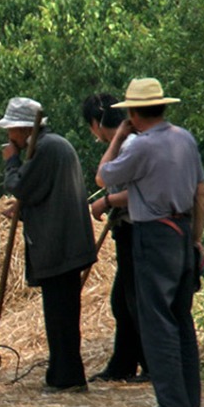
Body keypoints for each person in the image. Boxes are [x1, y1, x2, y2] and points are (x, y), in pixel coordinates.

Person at [97, 78, 204, 407]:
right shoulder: (184, 139)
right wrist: (195, 240)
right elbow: (201, 193)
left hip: (153, 233)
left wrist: (117, 136)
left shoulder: (140, 146)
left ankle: (172, 402)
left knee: (156, 319)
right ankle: (189, 398)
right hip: (182, 230)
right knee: (180, 317)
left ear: (132, 113)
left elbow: (103, 176)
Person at [0, 98, 98, 393]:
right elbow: (41, 192)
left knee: (61, 315)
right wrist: (22, 207)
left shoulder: (48, 148)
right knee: (60, 313)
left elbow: (20, 184)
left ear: (24, 129)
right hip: (64, 241)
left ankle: (67, 378)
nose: (9, 138)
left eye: (11, 131)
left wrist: (11, 161)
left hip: (60, 244)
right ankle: (62, 373)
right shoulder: (50, 147)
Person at [82, 93, 148, 383]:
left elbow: (110, 181)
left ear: (95, 124)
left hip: (138, 230)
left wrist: (107, 202)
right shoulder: (124, 144)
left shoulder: (129, 145)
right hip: (128, 231)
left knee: (133, 301)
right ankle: (123, 365)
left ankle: (150, 365)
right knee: (123, 301)